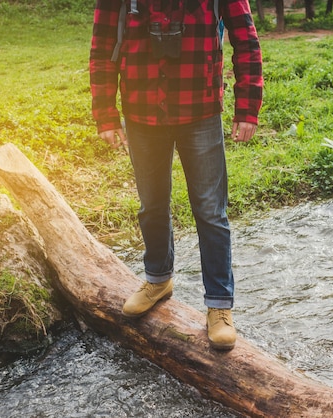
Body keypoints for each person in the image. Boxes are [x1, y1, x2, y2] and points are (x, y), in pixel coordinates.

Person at [89, 0, 263, 351]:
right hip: (141, 110)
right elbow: (102, 46)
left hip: (199, 109)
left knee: (211, 211)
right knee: (151, 204)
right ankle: (158, 279)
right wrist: (105, 113)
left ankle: (219, 305)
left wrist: (247, 109)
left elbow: (246, 43)